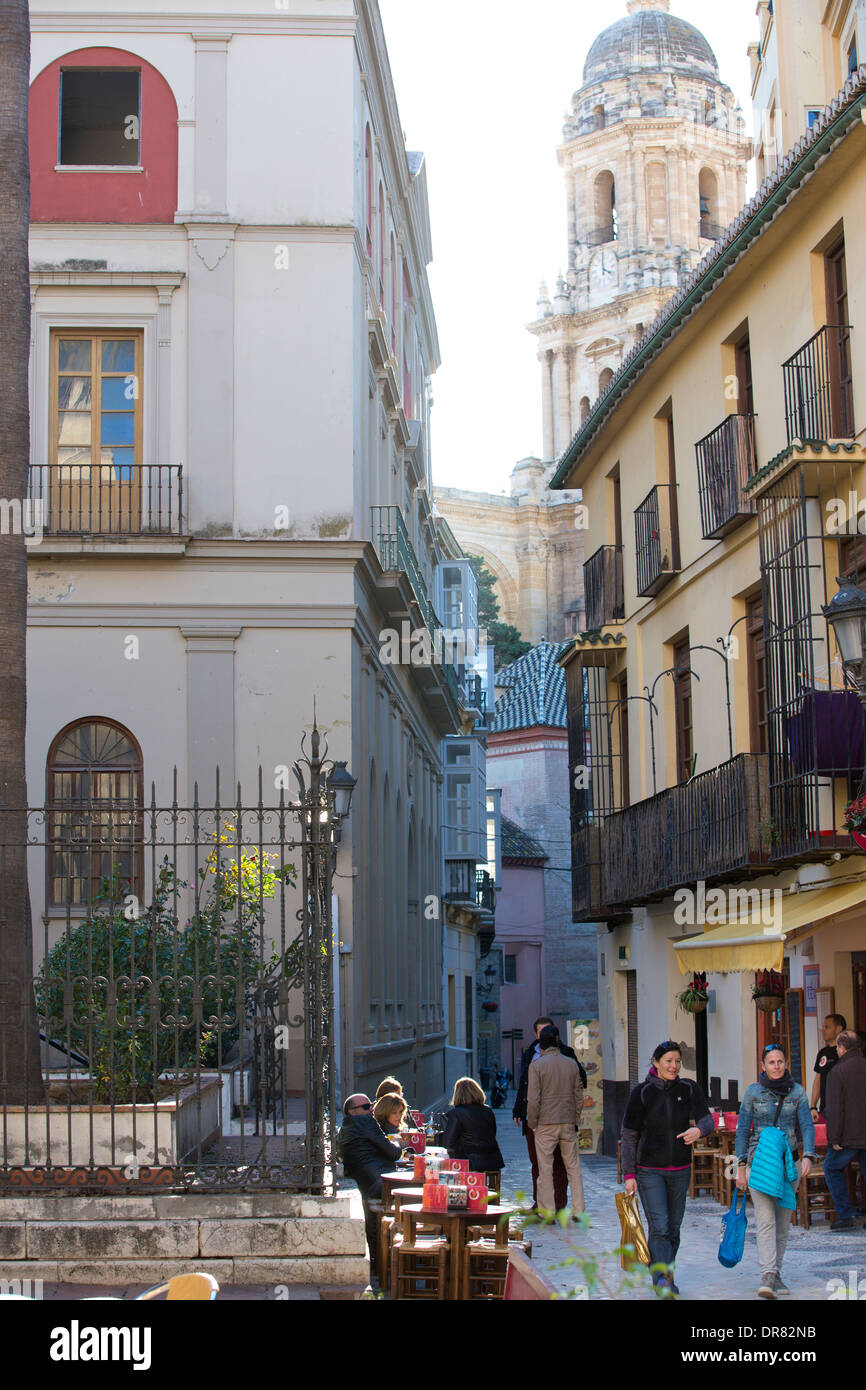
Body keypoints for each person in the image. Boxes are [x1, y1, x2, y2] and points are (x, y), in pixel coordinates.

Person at [621, 1041, 713, 1296]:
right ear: (656, 1062)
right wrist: (629, 1175)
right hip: (649, 1170)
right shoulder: (641, 1093)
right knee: (659, 1225)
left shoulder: (688, 1088)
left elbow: (707, 1119)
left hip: (681, 1169)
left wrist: (699, 1130)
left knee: (673, 1227)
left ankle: (663, 1270)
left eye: (677, 1062)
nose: (673, 1066)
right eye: (668, 1061)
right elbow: (628, 1135)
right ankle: (662, 1278)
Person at [735, 1043, 815, 1299]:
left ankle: (775, 1273)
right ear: (763, 1066)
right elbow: (742, 1130)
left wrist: (808, 1156)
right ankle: (767, 1274)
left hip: (787, 1165)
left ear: (785, 1063)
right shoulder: (752, 1092)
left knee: (782, 1223)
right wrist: (740, 1167)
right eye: (771, 1062)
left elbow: (807, 1126)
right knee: (766, 1220)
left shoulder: (798, 1092)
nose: (776, 1066)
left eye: (780, 1061)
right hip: (759, 1164)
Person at [513, 1016, 586, 1211]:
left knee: (544, 1169)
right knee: (573, 1168)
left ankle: (547, 1211)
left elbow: (533, 1098)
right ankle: (579, 1210)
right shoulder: (571, 1062)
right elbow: (579, 1095)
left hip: (545, 1123)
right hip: (567, 1121)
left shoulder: (536, 1065)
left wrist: (533, 1123)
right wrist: (575, 1117)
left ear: (540, 1042)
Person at [822, 1030, 866, 1230]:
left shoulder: (838, 1072)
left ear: (842, 1048)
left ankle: (847, 1213)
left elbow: (835, 1108)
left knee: (831, 1168)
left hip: (848, 1135)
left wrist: (834, 1137)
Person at [336, 1094, 401, 1200]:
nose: (371, 1109)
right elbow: (394, 1153)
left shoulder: (344, 1129)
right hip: (381, 1181)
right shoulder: (365, 1121)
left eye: (371, 1105)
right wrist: (397, 1143)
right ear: (352, 1111)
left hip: (368, 1183)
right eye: (366, 1107)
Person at [442, 1076, 505, 1174]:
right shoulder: (488, 1110)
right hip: (492, 1160)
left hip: (469, 1163)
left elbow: (447, 1143)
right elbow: (492, 1133)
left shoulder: (456, 1113)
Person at [810, 1013, 846, 1120]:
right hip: (826, 1108)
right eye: (823, 1027)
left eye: (828, 1027)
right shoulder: (822, 1053)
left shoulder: (846, 1051)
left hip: (844, 1107)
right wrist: (813, 1106)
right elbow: (818, 1078)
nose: (823, 1030)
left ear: (839, 1029)